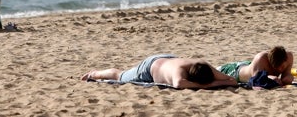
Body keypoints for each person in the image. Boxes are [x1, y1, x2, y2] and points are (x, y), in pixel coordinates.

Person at [81, 54, 238, 89]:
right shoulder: (179, 73)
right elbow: (178, 84)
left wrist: (217, 80)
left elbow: (233, 81)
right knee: (119, 75)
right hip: (149, 68)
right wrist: (210, 84)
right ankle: (94, 73)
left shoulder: (203, 65)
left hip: (166, 58)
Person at [217, 46, 294, 85]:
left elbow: (286, 75)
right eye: (276, 67)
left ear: (285, 59)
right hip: (237, 72)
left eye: (282, 67)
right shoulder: (261, 58)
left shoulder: (289, 57)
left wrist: (287, 78)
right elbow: (256, 79)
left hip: (248, 65)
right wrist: (270, 77)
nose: (280, 70)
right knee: (217, 71)